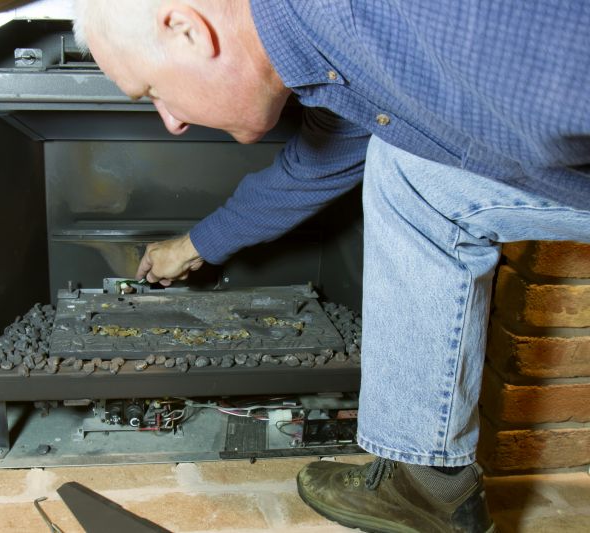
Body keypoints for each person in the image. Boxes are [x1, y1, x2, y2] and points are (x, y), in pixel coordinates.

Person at [72, 1, 590, 530]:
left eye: (153, 92)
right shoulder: (330, 45)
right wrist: (194, 245)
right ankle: (429, 486)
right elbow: (320, 162)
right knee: (407, 169)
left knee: (409, 173)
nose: (172, 122)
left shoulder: (434, 15)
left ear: (186, 30)